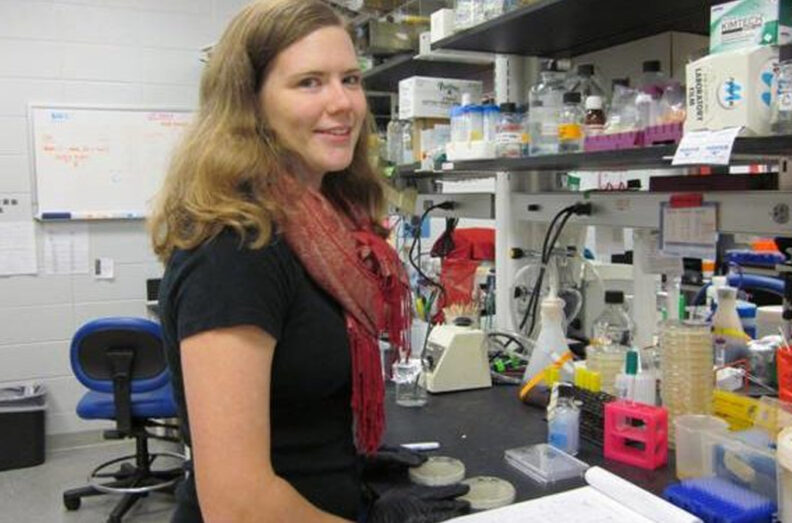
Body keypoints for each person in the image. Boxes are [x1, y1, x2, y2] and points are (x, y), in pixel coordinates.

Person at [149, 1, 469, 521]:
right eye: (309, 83)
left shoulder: (328, 228)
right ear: (250, 106)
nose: (342, 103)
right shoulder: (236, 252)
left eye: (350, 79)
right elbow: (238, 506)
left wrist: (350, 472)